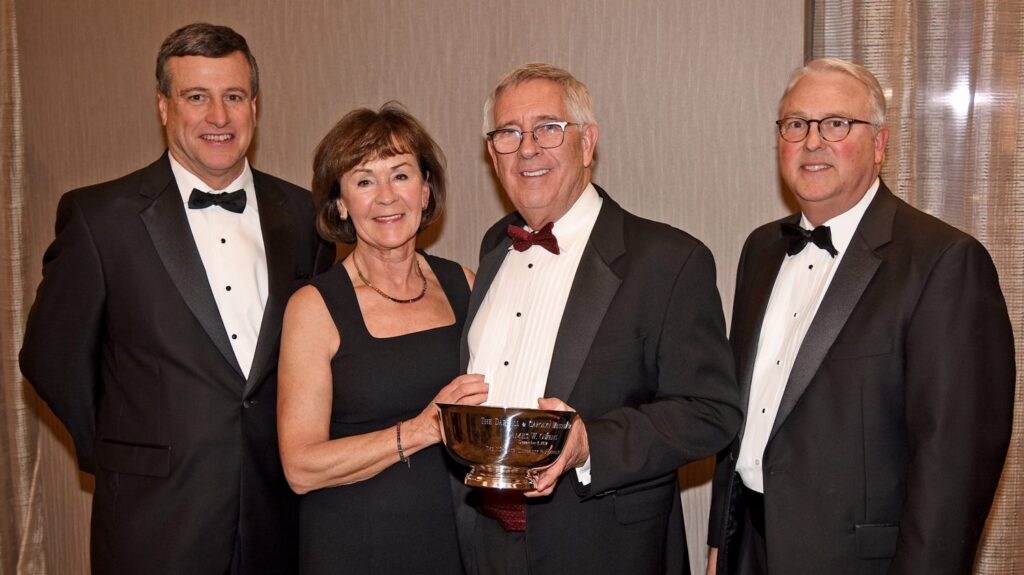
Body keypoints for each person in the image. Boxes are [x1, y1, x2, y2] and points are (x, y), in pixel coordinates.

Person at [19, 23, 334, 574]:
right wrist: (128, 450)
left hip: (278, 517)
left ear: (255, 107)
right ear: (164, 107)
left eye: (233, 96)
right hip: (154, 520)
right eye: (197, 97)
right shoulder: (101, 219)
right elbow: (51, 357)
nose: (219, 117)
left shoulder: (306, 218)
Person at [706, 58, 1015, 575]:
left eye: (836, 124)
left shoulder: (943, 262)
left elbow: (952, 468)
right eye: (796, 124)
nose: (812, 141)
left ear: (879, 145)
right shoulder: (759, 250)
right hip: (748, 547)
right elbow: (741, 414)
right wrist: (721, 538)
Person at [452, 62, 742, 575]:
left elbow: (710, 411)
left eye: (548, 128)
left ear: (587, 143)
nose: (527, 148)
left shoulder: (668, 261)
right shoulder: (495, 247)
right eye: (507, 134)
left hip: (604, 549)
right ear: (491, 153)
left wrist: (591, 444)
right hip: (485, 542)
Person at [277, 103, 488, 574]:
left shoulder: (467, 285)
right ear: (340, 203)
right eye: (364, 180)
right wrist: (422, 430)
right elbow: (300, 467)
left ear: (426, 189)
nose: (387, 197)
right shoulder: (314, 307)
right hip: (357, 545)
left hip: (457, 539)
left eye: (401, 175)